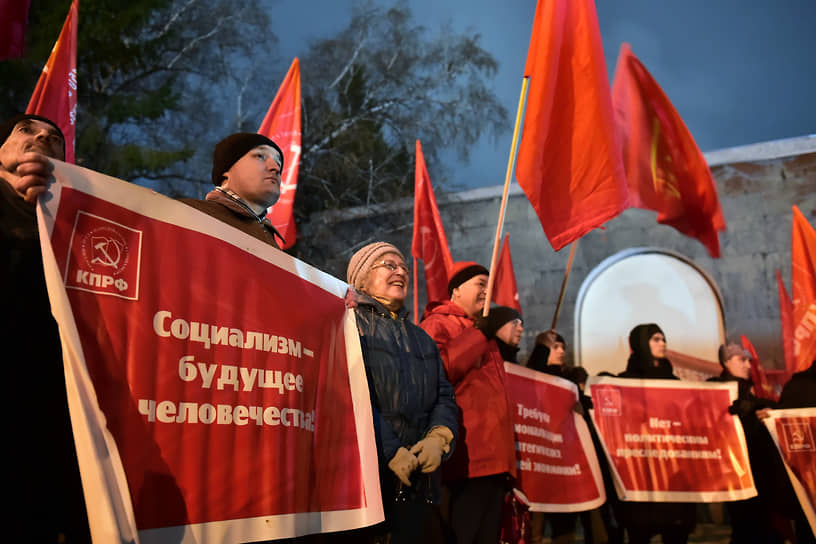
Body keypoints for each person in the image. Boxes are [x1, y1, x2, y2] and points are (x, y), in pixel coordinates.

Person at [0, 114, 91, 542]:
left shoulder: (83, 234)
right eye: (26, 130)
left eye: (55, 139)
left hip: (54, 440)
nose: (43, 138)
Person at [345, 242, 458, 543]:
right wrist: (390, 451)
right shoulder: (348, 326)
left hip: (418, 483)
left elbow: (444, 395)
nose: (400, 272)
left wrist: (439, 437)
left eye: (404, 267)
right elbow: (350, 396)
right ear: (361, 278)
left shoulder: (422, 337)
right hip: (366, 483)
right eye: (388, 264)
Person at [420, 261, 517, 544]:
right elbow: (437, 369)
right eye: (480, 284)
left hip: (495, 460)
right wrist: (479, 335)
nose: (487, 291)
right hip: (466, 460)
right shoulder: (436, 323)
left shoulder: (483, 333)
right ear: (456, 290)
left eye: (489, 285)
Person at [617, 324, 696, 544]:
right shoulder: (624, 382)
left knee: (676, 535)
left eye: (663, 339)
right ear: (641, 343)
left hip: (673, 474)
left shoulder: (675, 384)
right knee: (640, 534)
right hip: (641, 476)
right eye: (656, 339)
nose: (663, 344)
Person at [707, 342, 785, 544]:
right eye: (741, 359)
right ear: (726, 362)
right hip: (737, 471)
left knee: (757, 523)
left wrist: (765, 411)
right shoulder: (718, 389)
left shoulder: (748, 393)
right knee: (746, 524)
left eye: (748, 360)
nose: (748, 365)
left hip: (756, 470)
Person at [179, 132, 285, 247]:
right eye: (260, 156)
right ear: (226, 171)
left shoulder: (273, 244)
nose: (275, 168)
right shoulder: (185, 215)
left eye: (278, 163)